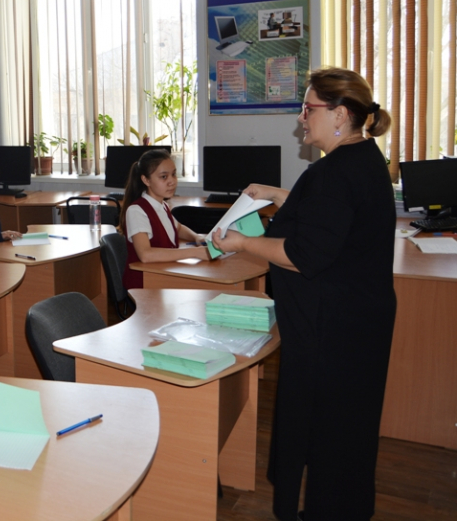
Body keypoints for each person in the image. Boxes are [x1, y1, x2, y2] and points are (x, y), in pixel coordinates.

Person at [209, 68, 395, 521]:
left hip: (331, 332)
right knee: (350, 430)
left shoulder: (332, 173)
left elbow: (302, 254)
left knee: (326, 432)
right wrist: (277, 193)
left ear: (340, 114)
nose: (301, 118)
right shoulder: (365, 159)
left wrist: (242, 243)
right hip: (361, 324)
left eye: (308, 109)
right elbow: (331, 215)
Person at [118, 148, 209, 289]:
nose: (172, 181)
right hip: (144, 284)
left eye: (173, 174)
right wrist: (195, 252)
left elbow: (178, 228)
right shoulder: (137, 211)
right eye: (164, 177)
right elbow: (146, 255)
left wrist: (196, 237)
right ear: (146, 180)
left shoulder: (163, 206)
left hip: (164, 276)